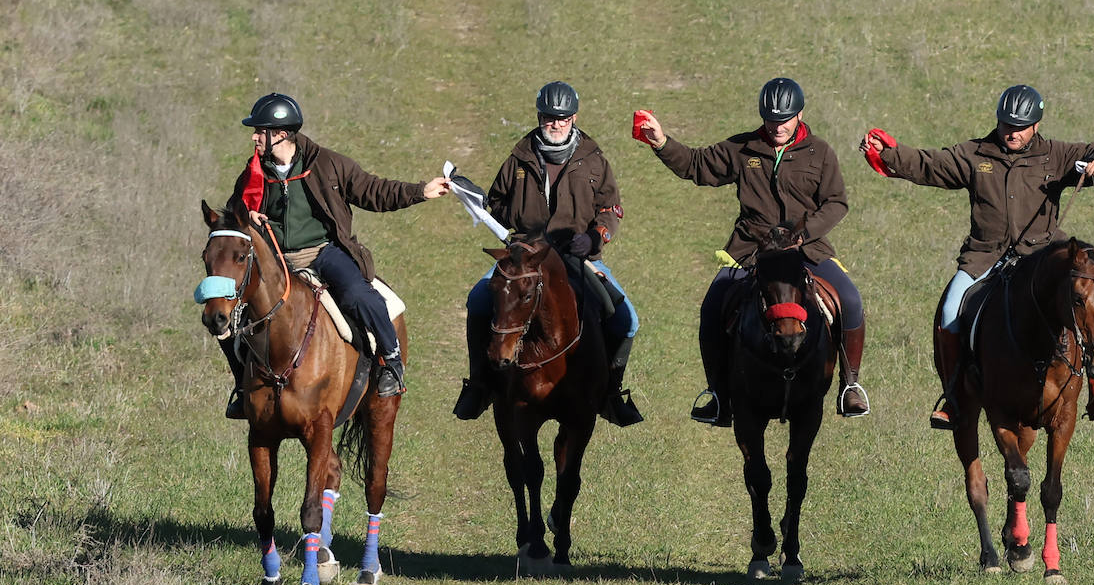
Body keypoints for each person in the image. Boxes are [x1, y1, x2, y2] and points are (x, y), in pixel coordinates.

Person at [860, 83, 1094, 429]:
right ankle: (954, 394)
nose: (1012, 133)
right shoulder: (975, 154)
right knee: (949, 310)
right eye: (1007, 125)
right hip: (985, 257)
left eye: (1020, 127)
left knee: (1088, 297)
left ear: (1036, 125)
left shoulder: (1056, 155)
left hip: (1042, 256)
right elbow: (928, 164)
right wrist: (888, 154)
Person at [635, 77, 870, 426]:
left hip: (807, 249)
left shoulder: (819, 152)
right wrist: (662, 142)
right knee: (712, 305)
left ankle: (850, 386)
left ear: (800, 115)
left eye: (784, 119)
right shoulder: (743, 148)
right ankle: (716, 394)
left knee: (850, 300)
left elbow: (836, 203)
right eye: (771, 119)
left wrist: (804, 235)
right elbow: (697, 165)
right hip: (751, 249)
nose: (777, 126)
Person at [219, 92, 449, 418]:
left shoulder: (327, 164)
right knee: (228, 318)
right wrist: (246, 218)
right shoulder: (253, 174)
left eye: (260, 131)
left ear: (281, 134)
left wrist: (420, 192)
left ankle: (391, 363)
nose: (254, 137)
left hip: (323, 253)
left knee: (359, 295)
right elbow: (232, 218)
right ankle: (243, 388)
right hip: (277, 263)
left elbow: (373, 191)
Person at [453, 81, 643, 426]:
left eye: (562, 118)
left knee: (627, 319)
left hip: (577, 255)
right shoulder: (519, 158)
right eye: (548, 118)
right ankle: (479, 385)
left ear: (574, 118)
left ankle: (611, 393)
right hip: (525, 257)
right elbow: (498, 206)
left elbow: (611, 209)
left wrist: (595, 237)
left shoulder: (594, 160)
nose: (555, 124)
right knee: (478, 301)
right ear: (539, 117)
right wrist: (479, 203)